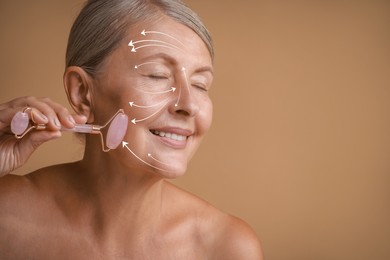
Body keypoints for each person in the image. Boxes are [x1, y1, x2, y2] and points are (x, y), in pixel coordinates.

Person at [0, 0, 263, 259]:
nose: (189, 105)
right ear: (82, 92)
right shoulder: (7, 216)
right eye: (157, 75)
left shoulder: (227, 247)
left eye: (200, 84)